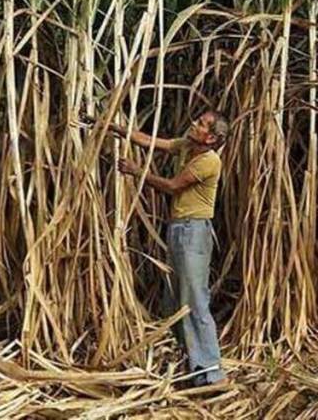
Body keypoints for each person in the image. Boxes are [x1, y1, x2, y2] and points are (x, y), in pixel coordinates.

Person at [82, 109, 230, 388]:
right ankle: (194, 369)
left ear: (211, 138)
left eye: (200, 124)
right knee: (176, 301)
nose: (193, 123)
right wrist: (113, 126)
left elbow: (174, 186)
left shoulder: (209, 161)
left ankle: (213, 373)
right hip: (180, 229)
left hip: (193, 232)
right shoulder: (187, 146)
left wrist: (136, 172)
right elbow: (149, 141)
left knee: (195, 301)